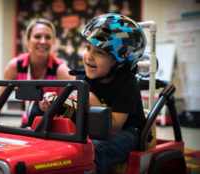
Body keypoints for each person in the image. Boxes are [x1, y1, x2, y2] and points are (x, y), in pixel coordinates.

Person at [39, 13, 147, 173]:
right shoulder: (85, 76)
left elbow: (112, 128)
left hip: (128, 134)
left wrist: (90, 99)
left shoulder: (126, 83)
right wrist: (51, 100)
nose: (89, 56)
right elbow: (70, 101)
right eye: (88, 47)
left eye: (100, 53)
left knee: (93, 149)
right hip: (90, 128)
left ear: (119, 64)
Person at [0, 18, 74, 128]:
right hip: (28, 122)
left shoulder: (61, 70)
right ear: (28, 40)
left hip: (54, 124)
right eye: (37, 36)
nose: (43, 41)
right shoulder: (15, 66)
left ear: (53, 42)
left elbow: (77, 101)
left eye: (48, 37)